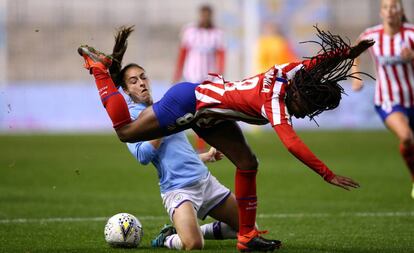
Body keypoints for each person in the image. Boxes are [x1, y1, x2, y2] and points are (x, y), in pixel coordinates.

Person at [78, 26, 373, 252]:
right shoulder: (273, 101)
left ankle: (246, 237)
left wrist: (349, 53)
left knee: (247, 162)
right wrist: (327, 174)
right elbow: (292, 143)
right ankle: (101, 71)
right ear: (295, 94)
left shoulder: (291, 71)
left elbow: (318, 63)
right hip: (189, 102)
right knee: (125, 132)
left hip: (211, 116)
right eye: (302, 107)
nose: (300, 113)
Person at [111, 27, 242, 250]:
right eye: (133, 81)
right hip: (178, 189)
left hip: (205, 181)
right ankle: (169, 239)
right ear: (126, 91)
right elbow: (143, 156)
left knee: (248, 229)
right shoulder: (132, 121)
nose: (141, 83)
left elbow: (178, 153)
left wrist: (206, 156)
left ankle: (190, 230)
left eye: (143, 77)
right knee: (193, 245)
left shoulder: (164, 107)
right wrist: (162, 125)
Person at [351, 0, 414, 199]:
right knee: (406, 137)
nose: (389, 11)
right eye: (386, 7)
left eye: (393, 7)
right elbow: (355, 53)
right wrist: (356, 75)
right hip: (388, 100)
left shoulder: (411, 34)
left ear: (400, 11)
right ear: (381, 12)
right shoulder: (371, 35)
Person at [173, 4, 226, 152]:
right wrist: (177, 73)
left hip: (208, 78)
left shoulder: (217, 33)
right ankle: (197, 145)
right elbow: (183, 52)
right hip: (191, 76)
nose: (205, 18)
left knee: (208, 111)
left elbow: (221, 54)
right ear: (199, 15)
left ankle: (208, 143)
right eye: (203, 15)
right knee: (194, 111)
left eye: (207, 15)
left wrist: (220, 73)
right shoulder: (189, 30)